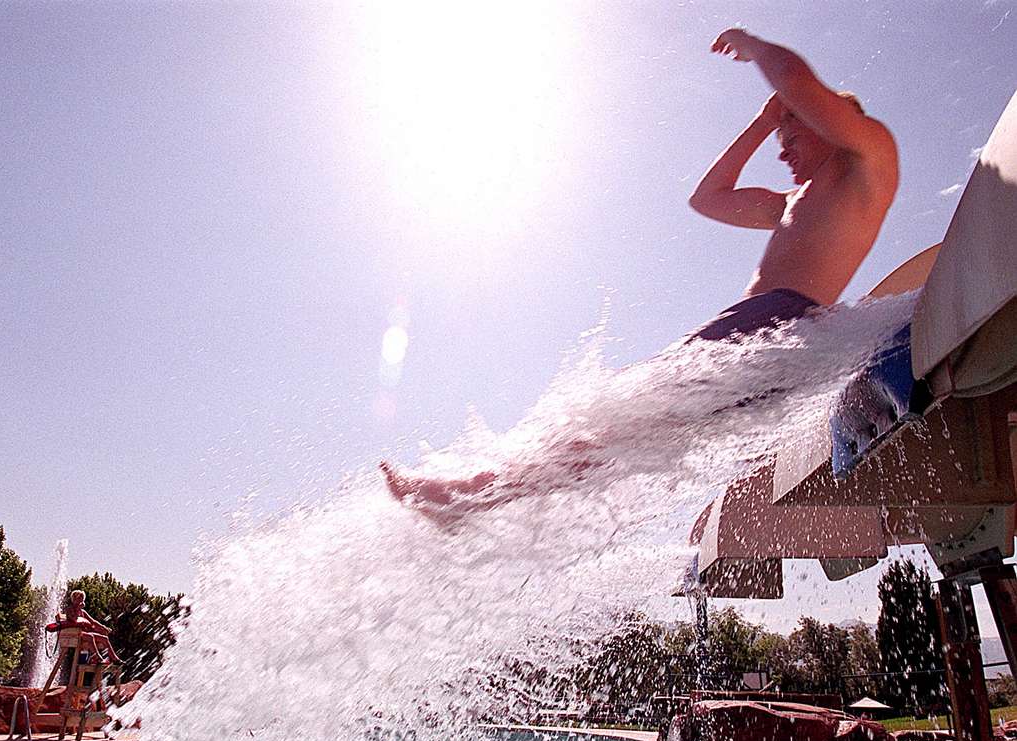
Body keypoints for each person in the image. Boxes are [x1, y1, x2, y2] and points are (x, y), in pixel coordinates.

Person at [382, 28, 898, 516]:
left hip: (778, 324)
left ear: (828, 118)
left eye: (790, 132)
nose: (780, 149)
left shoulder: (867, 155)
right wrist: (764, 122)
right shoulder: (790, 202)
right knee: (620, 434)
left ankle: (472, 493)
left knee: (615, 421)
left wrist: (757, 48)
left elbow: (797, 82)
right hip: (763, 335)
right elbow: (706, 198)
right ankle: (478, 497)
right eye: (778, 135)